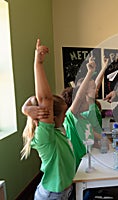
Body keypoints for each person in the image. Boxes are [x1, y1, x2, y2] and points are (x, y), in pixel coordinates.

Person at [21, 39, 76, 199]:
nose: (65, 117)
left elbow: (38, 101)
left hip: (62, 192)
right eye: (63, 114)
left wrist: (25, 108)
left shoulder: (57, 130)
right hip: (52, 195)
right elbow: (45, 99)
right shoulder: (46, 137)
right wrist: (38, 63)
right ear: (51, 117)